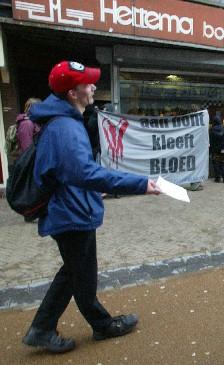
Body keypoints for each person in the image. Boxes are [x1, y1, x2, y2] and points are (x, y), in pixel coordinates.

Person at [21, 60, 160, 354]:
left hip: (71, 209)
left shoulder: (63, 122)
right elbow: (86, 173)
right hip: (71, 214)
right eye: (88, 83)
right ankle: (93, 325)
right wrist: (141, 184)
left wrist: (89, 192)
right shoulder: (66, 128)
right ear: (73, 93)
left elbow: (74, 173)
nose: (94, 87)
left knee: (75, 272)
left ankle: (47, 328)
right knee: (80, 274)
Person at [209, 115, 224, 183]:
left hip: (215, 150)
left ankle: (218, 178)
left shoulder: (211, 130)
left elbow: (210, 141)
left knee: (216, 163)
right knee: (222, 163)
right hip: (223, 149)